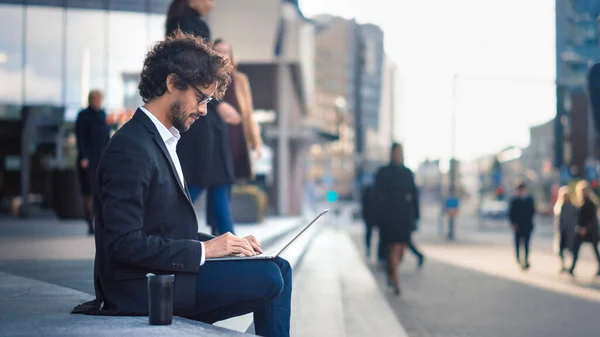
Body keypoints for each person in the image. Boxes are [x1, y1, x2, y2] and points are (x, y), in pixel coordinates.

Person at [71, 31, 292, 337]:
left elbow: (165, 229)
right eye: (201, 98)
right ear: (173, 83)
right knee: (270, 277)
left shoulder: (164, 141)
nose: (204, 109)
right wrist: (205, 250)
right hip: (142, 287)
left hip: (167, 275)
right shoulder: (130, 147)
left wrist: (227, 245)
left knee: (279, 267)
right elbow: (122, 243)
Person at [166, 0, 238, 236]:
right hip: (201, 118)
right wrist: (215, 104)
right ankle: (166, 225)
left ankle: (227, 238)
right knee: (200, 177)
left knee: (216, 179)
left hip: (200, 115)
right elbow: (198, 74)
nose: (214, 4)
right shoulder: (193, 25)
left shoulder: (180, 23)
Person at [213, 38, 264, 182]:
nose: (222, 55)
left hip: (236, 137)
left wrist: (256, 142)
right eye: (218, 52)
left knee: (226, 182)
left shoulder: (240, 80)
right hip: (215, 139)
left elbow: (248, 112)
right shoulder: (208, 79)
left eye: (226, 52)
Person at [374, 143, 419, 295]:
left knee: (402, 248)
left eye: (400, 152)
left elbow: (414, 195)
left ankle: (391, 271)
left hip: (404, 215)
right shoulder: (383, 172)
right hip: (389, 216)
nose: (398, 155)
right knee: (393, 247)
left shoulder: (408, 173)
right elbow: (377, 195)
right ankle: (396, 280)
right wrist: (377, 216)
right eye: (396, 152)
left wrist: (416, 215)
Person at [74, 90, 110, 235]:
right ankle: (90, 222)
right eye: (98, 99)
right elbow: (80, 137)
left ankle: (100, 221)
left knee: (101, 191)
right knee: (89, 192)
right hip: (88, 160)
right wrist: (83, 157)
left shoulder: (102, 114)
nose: (100, 101)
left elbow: (106, 137)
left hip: (101, 159)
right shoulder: (83, 116)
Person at [569, 180, 600, 276]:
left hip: (591, 231)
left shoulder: (591, 203)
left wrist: (586, 228)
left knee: (595, 249)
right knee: (576, 249)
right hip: (581, 230)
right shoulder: (579, 203)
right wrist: (578, 228)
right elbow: (578, 218)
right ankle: (572, 267)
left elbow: (593, 219)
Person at [508, 182, 536, 270]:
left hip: (527, 226)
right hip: (518, 226)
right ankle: (518, 259)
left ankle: (526, 260)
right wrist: (513, 224)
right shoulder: (514, 200)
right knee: (518, 244)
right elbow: (511, 214)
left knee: (526, 244)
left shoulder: (529, 200)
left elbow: (532, 212)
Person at [553, 185, 578, 272]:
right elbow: (558, 220)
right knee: (560, 250)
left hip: (570, 231)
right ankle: (563, 265)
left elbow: (577, 218)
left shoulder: (573, 207)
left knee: (571, 249)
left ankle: (571, 266)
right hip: (561, 231)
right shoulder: (559, 206)